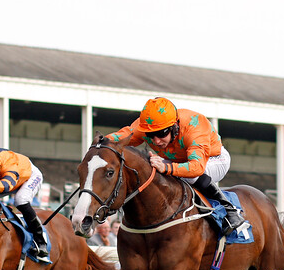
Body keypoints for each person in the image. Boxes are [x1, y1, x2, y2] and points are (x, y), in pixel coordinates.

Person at [105, 97, 247, 234]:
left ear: (174, 126)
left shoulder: (194, 126)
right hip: (179, 161)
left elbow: (196, 167)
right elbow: (119, 137)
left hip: (213, 159)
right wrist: (101, 143)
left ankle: (230, 211)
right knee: (150, 168)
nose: (156, 141)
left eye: (161, 134)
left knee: (189, 176)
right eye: (150, 135)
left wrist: (167, 168)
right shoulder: (147, 124)